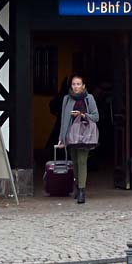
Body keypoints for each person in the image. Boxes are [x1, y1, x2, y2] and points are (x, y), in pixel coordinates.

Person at [56, 74, 99, 204]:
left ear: (83, 86)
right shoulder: (67, 99)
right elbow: (63, 119)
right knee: (74, 161)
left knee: (82, 161)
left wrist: (82, 115)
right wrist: (61, 138)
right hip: (71, 134)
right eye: (74, 84)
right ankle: (77, 187)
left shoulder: (89, 98)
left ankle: (82, 191)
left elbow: (96, 116)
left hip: (84, 134)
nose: (76, 87)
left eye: (78, 84)